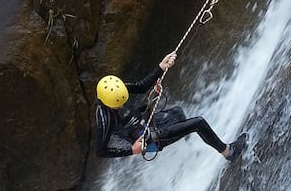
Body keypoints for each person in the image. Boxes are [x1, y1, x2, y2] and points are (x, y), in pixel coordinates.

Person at [94, 52, 246, 160]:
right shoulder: (104, 119)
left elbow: (140, 87)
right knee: (198, 122)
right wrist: (131, 150)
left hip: (145, 123)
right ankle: (229, 152)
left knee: (178, 113)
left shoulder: (115, 88)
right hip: (147, 140)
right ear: (108, 103)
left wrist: (160, 67)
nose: (121, 105)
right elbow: (101, 151)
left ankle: (195, 148)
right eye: (118, 105)